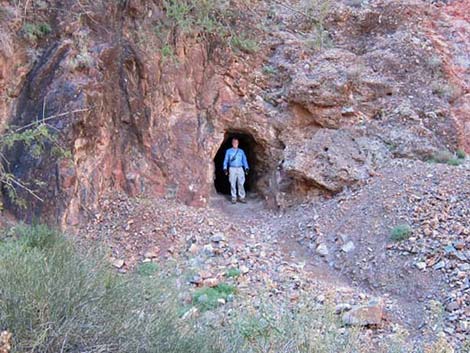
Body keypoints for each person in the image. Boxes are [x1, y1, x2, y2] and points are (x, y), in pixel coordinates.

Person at [223, 137, 249, 204]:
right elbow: (226, 160)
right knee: (232, 183)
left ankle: (242, 197)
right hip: (232, 168)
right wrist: (225, 168)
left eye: (236, 143)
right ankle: (233, 197)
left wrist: (246, 168)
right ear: (232, 143)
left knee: (241, 183)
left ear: (238, 143)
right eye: (234, 142)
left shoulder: (241, 151)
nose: (235, 144)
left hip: (240, 168)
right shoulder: (228, 151)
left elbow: (244, 160)